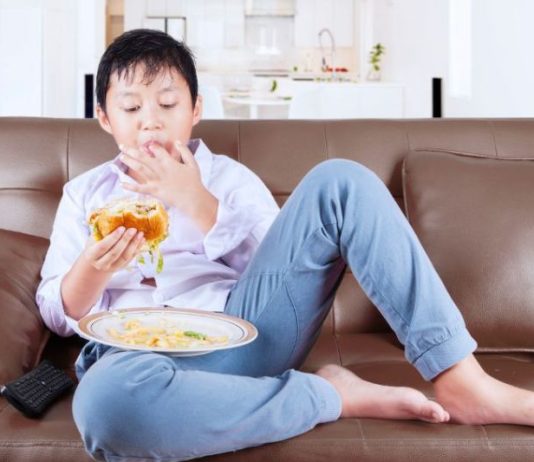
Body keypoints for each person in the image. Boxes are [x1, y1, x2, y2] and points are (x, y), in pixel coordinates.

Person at [36, 29, 534, 462]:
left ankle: (461, 377)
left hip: (242, 339)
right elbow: (58, 312)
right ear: (104, 117)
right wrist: (94, 268)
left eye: (168, 104)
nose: (151, 121)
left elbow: (282, 275)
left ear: (196, 110)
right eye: (130, 107)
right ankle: (327, 394)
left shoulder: (229, 180)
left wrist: (200, 203)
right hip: (136, 361)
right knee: (105, 409)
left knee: (342, 180)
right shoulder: (85, 195)